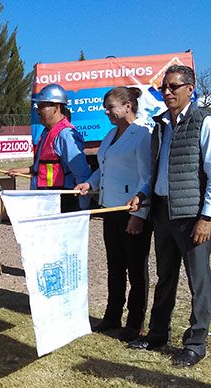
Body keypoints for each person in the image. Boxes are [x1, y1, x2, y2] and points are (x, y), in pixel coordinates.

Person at [127, 65, 211, 368]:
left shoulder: (204, 121)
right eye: (164, 87)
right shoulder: (161, 123)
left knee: (199, 281)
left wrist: (207, 218)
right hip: (162, 210)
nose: (167, 92)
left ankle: (196, 342)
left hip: (192, 216)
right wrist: (143, 195)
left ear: (190, 88)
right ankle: (158, 333)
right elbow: (155, 169)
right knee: (165, 276)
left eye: (174, 87)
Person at [75, 86, 153, 342]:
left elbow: (147, 176)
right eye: (105, 108)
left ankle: (135, 322)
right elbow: (103, 168)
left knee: (135, 269)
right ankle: (112, 316)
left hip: (131, 210)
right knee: (115, 266)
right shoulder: (110, 135)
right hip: (110, 208)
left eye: (110, 107)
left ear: (128, 106)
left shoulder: (141, 134)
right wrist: (90, 184)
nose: (106, 112)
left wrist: (139, 215)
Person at [7, 83, 91, 212]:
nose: (38, 110)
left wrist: (83, 206)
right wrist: (21, 170)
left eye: (42, 106)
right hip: (46, 198)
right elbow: (45, 167)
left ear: (56, 107)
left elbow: (81, 173)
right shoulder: (47, 132)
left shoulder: (65, 135)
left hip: (61, 200)